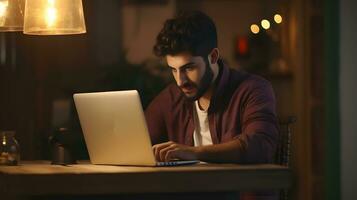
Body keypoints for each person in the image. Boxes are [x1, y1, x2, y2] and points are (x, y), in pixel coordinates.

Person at [145, 10, 278, 164]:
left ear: (213, 57)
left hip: (239, 187)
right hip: (189, 187)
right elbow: (139, 141)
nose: (180, 81)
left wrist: (192, 152)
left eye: (189, 68)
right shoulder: (170, 98)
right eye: (174, 70)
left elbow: (260, 146)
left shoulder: (253, 89)